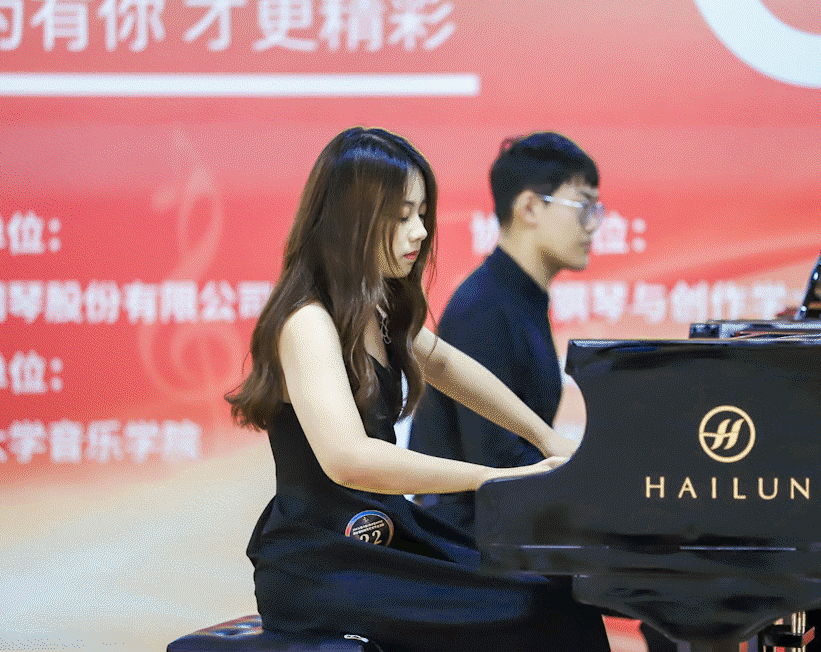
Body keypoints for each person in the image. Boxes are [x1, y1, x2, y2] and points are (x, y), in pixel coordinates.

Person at [225, 126, 611, 652]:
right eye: (402, 216)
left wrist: (547, 439)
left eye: (422, 214)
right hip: (322, 560)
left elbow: (450, 366)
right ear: (351, 218)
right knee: (537, 607)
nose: (420, 232)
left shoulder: (378, 307)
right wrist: (497, 478)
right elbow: (349, 459)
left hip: (380, 533)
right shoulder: (308, 321)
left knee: (563, 593)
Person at [408, 132, 602, 536]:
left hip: (500, 527)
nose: (593, 226)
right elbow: (499, 462)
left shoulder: (519, 297)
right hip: (465, 543)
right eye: (583, 206)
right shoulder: (483, 308)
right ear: (529, 207)